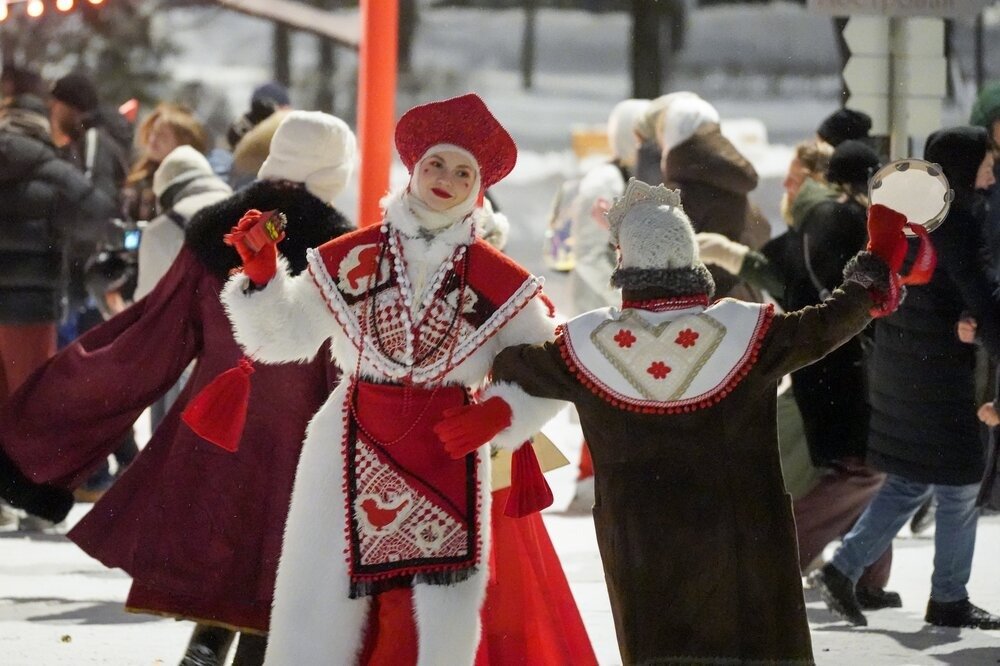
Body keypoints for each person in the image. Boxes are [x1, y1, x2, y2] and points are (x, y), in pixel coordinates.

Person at [435, 178, 909, 665]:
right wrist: (877, 261)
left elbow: (514, 363)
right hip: (744, 545)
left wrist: (491, 407)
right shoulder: (749, 331)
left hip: (645, 550)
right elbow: (832, 322)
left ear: (623, 265)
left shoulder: (584, 345)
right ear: (692, 262)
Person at [0, 111, 357, 666]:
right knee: (279, 572)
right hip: (302, 439)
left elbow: (148, 342)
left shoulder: (216, 233)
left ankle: (204, 651)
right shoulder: (345, 250)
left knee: (217, 561)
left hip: (214, 427)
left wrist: (44, 425)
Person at [219, 93, 564, 664]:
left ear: (478, 188)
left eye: (462, 172)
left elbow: (547, 367)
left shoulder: (502, 282)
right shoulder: (349, 256)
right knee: (324, 590)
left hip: (448, 444)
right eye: (436, 164)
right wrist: (261, 282)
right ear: (414, 167)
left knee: (432, 614)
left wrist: (502, 412)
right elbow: (282, 337)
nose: (445, 179)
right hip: (348, 438)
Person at [814, 125, 1000, 630]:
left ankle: (843, 568)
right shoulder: (958, 223)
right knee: (960, 483)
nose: (990, 174)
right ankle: (948, 598)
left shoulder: (907, 213)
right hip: (940, 375)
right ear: (964, 167)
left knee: (912, 480)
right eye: (985, 163)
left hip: (899, 368)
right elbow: (980, 296)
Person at [699, 139, 899, 607]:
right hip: (840, 362)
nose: (786, 186)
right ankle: (786, 564)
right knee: (863, 471)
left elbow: (804, 288)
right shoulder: (835, 219)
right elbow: (822, 293)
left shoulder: (824, 219)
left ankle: (858, 576)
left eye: (793, 177)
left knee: (862, 470)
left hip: (833, 363)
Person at [660, 96, 764, 299]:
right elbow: (763, 231)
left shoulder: (677, 194)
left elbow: (655, 258)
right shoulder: (732, 182)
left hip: (702, 313)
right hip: (746, 305)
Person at [122, 102, 209, 225]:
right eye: (152, 132)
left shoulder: (194, 184)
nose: (152, 140)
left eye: (162, 135)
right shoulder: (140, 176)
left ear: (184, 142)